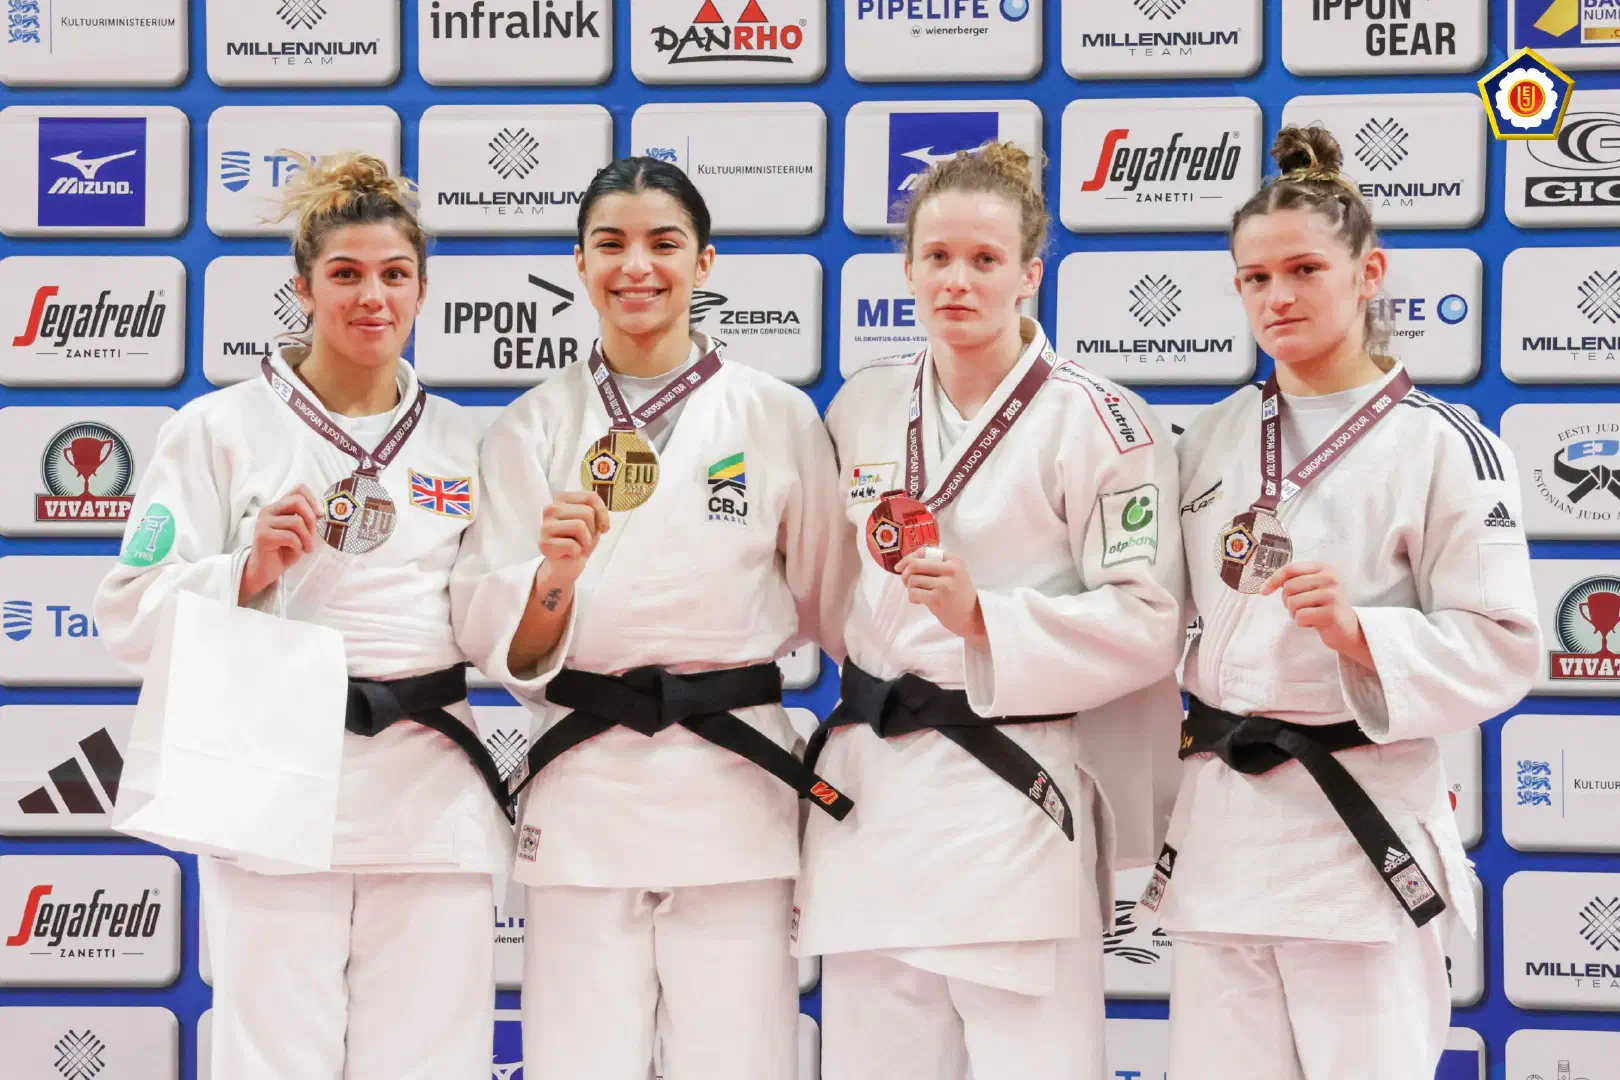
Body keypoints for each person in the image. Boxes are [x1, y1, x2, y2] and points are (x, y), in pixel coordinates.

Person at [95, 154, 510, 1079]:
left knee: (435, 1061)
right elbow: (127, 615)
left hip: (431, 788)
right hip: (269, 781)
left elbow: (501, 621)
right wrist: (245, 570)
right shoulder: (217, 429)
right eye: (346, 274)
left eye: (394, 274)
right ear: (303, 287)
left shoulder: (470, 440)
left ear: (423, 290)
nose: (372, 297)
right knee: (272, 1059)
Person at [791, 141, 1188, 1080]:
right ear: (907, 269)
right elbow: (828, 590)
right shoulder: (866, 403)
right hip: (876, 791)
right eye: (936, 257)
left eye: (984, 259)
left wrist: (985, 623)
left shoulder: (1100, 420)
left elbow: (1148, 620)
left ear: (1030, 275)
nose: (956, 281)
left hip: (1013, 793)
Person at [450, 156, 850, 1080]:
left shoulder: (776, 417)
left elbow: (834, 602)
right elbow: (504, 642)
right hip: (586, 783)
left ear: (704, 261)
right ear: (580, 264)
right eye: (611, 244)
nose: (637, 266)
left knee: (742, 1060)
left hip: (733, 786)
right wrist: (554, 578)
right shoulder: (531, 426)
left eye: (664, 243)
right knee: (577, 1061)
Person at [1157, 126, 1541, 1080]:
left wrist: (1361, 631)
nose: (1277, 297)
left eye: (1304, 270)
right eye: (1255, 278)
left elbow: (1504, 646)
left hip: (1357, 832)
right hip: (1224, 833)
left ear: (1369, 273)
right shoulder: (1207, 439)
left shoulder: (1446, 444)